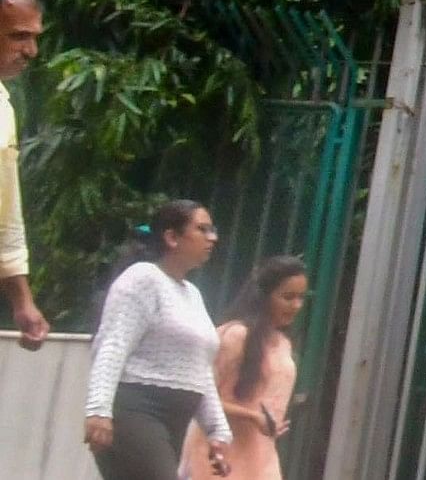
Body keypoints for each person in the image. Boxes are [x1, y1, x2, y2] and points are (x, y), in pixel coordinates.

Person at [85, 202, 230, 480]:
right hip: (137, 410)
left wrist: (216, 429)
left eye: (213, 230)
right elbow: (112, 345)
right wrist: (98, 410)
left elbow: (199, 367)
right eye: (202, 229)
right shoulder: (143, 279)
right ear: (172, 237)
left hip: (175, 419)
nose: (212, 238)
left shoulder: (193, 294)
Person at [185, 258, 306, 480]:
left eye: (301, 298)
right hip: (218, 455)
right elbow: (198, 396)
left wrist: (270, 424)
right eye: (288, 297)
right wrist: (251, 417)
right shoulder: (235, 336)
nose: (296, 305)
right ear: (265, 296)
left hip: (262, 457)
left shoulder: (284, 343)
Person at [0, 0, 45, 349]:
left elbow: (7, 210)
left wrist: (22, 300)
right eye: (19, 36)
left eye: (34, 37)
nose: (31, 51)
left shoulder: (3, 106)